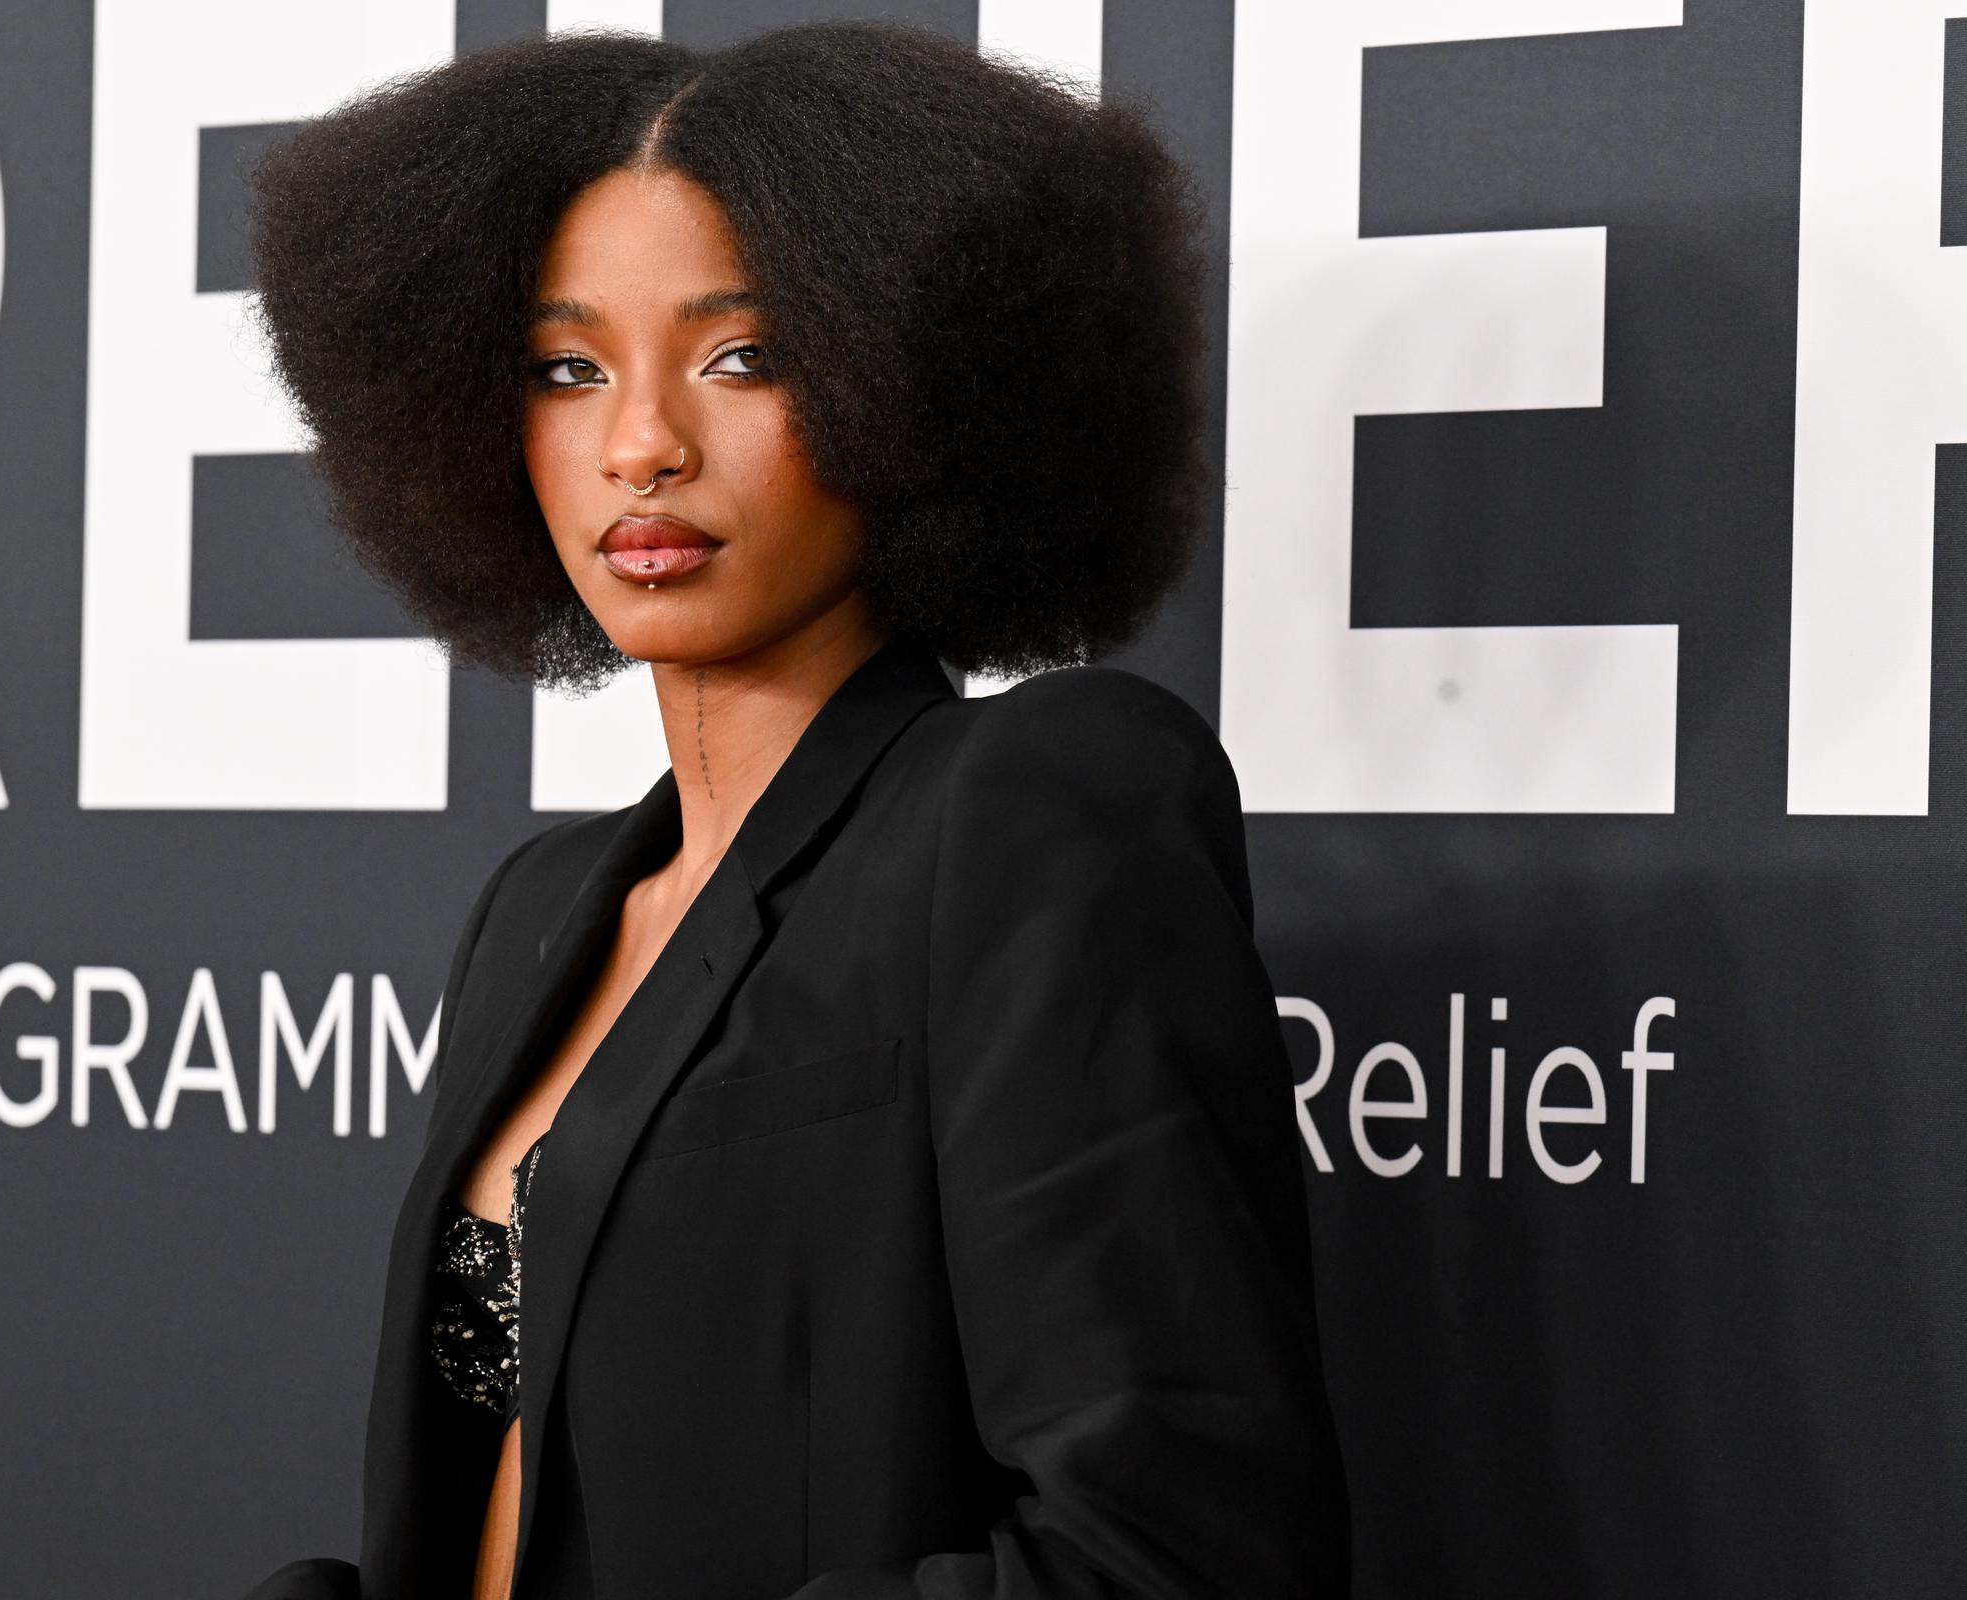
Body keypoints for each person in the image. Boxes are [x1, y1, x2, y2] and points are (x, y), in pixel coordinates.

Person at [234, 20, 1348, 1600]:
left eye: (741, 355)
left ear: (919, 377)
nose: (641, 446)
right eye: (569, 368)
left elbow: (1175, 1554)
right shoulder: (538, 910)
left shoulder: (1033, 811)